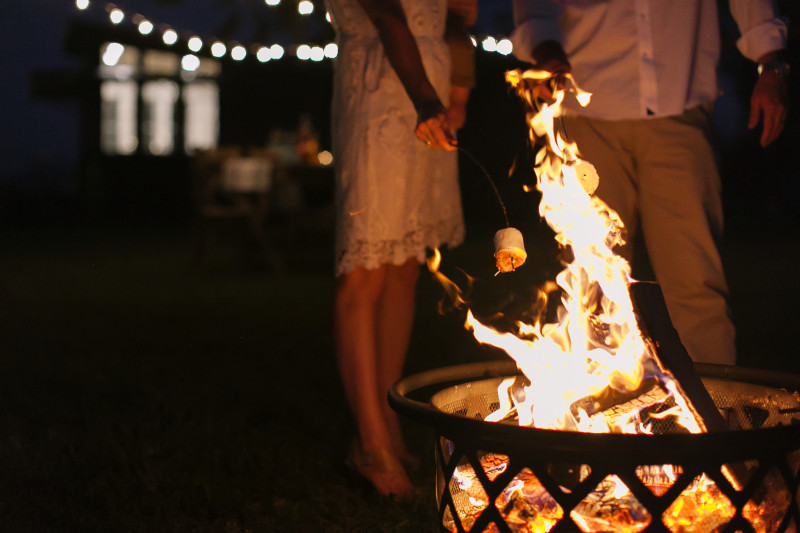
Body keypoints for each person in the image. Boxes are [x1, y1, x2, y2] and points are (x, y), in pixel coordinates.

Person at [510, 0, 789, 366]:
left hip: (679, 103)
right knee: (591, 286)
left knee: (695, 281)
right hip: (585, 110)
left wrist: (771, 62)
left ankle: (714, 408)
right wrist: (544, 49)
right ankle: (594, 413)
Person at [326, 0, 476, 499]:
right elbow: (388, 16)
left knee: (404, 268)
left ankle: (388, 426)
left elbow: (457, 18)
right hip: (381, 88)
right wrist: (427, 98)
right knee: (365, 268)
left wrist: (458, 89)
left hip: (428, 88)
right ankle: (370, 445)